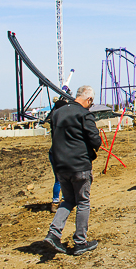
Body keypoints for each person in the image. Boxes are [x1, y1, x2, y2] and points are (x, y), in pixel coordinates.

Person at [44, 85, 101, 256]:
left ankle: (54, 233)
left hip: (61, 165)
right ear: (89, 99)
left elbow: (55, 137)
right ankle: (80, 242)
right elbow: (95, 140)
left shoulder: (57, 113)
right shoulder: (84, 114)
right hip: (79, 165)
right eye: (91, 102)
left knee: (68, 200)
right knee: (83, 201)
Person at [44, 96, 69, 212]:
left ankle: (56, 201)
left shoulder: (54, 119)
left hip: (54, 151)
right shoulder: (62, 121)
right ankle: (62, 200)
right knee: (62, 178)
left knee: (58, 178)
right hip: (61, 152)